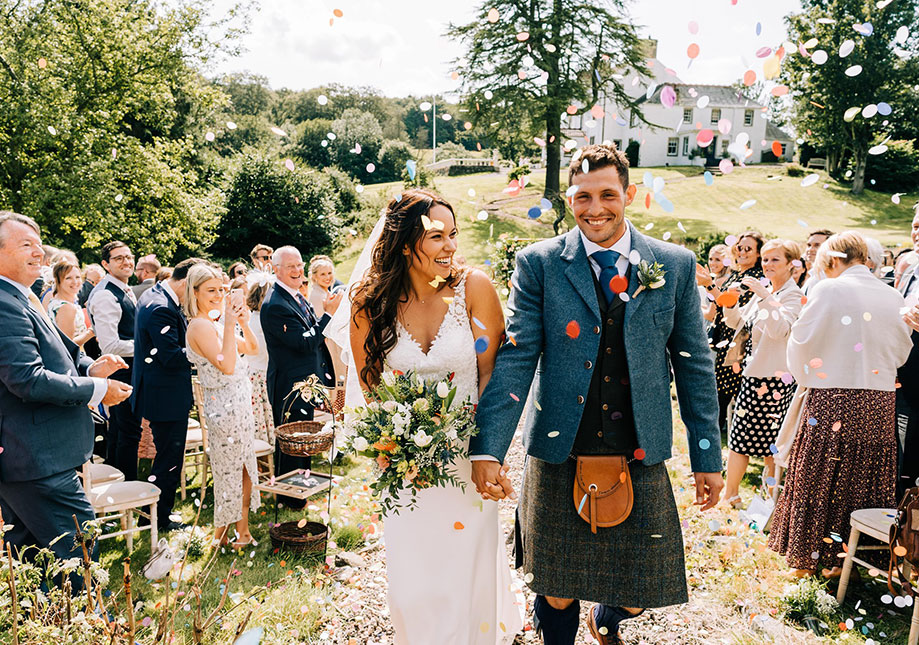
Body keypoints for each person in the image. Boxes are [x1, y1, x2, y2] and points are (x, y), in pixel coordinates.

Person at [470, 145, 723, 645]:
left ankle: (609, 617)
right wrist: (489, 447)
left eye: (608, 194)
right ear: (569, 199)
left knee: (642, 587)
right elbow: (518, 357)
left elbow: (695, 366)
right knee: (557, 588)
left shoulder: (673, 264)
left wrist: (706, 454)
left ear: (629, 194)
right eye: (583, 196)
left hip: (639, 447)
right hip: (559, 446)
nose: (596, 207)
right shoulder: (539, 262)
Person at [340, 188, 524, 644]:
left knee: (466, 564)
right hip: (405, 465)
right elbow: (372, 385)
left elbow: (491, 375)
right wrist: (395, 443)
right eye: (437, 236)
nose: (450, 246)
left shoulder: (474, 288)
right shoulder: (368, 302)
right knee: (413, 577)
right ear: (405, 243)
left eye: (453, 235)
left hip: (468, 457)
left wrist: (488, 450)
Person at [768, 232, 912, 578]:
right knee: (864, 476)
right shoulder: (892, 296)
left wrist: (812, 370)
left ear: (833, 260)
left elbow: (801, 342)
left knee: (819, 474)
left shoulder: (828, 290)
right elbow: (903, 351)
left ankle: (809, 559)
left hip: (833, 394)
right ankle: (850, 559)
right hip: (879, 398)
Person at [0, 212, 132, 584]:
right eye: (26, 244)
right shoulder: (3, 301)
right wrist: (97, 391)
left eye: (39, 244)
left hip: (31, 458)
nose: (38, 252)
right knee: (80, 553)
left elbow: (59, 352)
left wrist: (91, 368)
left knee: (34, 563)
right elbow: (27, 379)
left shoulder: (21, 295)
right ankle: (101, 630)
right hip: (37, 458)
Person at [721, 239, 804, 508]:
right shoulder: (766, 291)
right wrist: (730, 302)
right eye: (765, 259)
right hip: (753, 375)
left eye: (774, 260)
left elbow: (781, 330)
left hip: (777, 380)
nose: (767, 264)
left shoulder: (793, 295)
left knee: (772, 444)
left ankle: (768, 503)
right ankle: (730, 495)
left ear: (791, 264)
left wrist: (766, 297)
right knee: (739, 438)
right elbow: (738, 323)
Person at [184, 264, 261, 547]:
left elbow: (251, 348)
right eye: (211, 291)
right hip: (224, 406)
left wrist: (242, 322)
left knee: (242, 468)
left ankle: (238, 532)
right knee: (229, 470)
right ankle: (225, 533)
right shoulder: (200, 325)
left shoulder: (214, 322)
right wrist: (229, 323)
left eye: (221, 290)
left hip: (238, 403)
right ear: (195, 293)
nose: (218, 295)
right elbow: (227, 366)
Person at [260, 246, 341, 508]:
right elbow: (304, 343)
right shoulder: (275, 305)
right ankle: (289, 498)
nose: (297, 271)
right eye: (290, 266)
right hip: (288, 383)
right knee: (291, 439)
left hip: (304, 382)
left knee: (304, 436)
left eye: (299, 265)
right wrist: (328, 314)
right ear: (276, 269)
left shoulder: (296, 296)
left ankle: (300, 489)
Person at [132, 258, 202, 532]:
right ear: (186, 283)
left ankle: (152, 515)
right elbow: (171, 357)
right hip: (165, 396)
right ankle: (160, 519)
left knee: (166, 456)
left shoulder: (156, 294)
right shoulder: (161, 307)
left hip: (160, 391)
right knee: (169, 457)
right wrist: (204, 349)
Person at [697, 231, 765, 433]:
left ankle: (716, 451)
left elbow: (731, 308)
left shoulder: (753, 278)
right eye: (740, 247)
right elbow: (718, 309)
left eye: (748, 249)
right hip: (722, 339)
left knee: (721, 400)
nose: (742, 252)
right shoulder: (736, 274)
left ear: (758, 254)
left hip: (736, 345)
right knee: (716, 399)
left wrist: (709, 284)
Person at [87, 241, 143, 481]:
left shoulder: (123, 288)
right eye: (118, 258)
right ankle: (127, 487)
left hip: (128, 369)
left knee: (122, 431)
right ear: (105, 264)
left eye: (129, 257)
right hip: (120, 371)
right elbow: (109, 345)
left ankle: (118, 483)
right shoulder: (105, 295)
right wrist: (145, 347)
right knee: (128, 432)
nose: (126, 262)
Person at [896, 205, 919, 500]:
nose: (917, 233)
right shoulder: (911, 270)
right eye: (915, 226)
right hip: (903, 381)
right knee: (903, 462)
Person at [244, 275, 275, 447]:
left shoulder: (254, 317)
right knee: (264, 415)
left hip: (256, 372)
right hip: (261, 375)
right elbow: (264, 351)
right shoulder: (260, 320)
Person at [308, 255, 347, 387]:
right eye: (323, 274)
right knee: (338, 378)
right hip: (330, 343)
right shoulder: (317, 295)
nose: (327, 277)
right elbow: (323, 324)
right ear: (314, 277)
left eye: (329, 273)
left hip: (335, 340)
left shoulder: (325, 292)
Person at [47, 260, 96, 349]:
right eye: (68, 278)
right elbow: (67, 346)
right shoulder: (66, 308)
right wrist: (91, 332)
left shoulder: (54, 301)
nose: (75, 282)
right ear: (57, 281)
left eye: (77, 277)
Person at [697, 244, 730, 326]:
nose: (712, 263)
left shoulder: (720, 282)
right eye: (711, 259)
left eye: (717, 260)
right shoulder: (726, 277)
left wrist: (693, 307)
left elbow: (711, 316)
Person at [800, 229, 833, 294]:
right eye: (809, 245)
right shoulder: (813, 276)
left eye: (817, 245)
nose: (810, 249)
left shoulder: (828, 278)